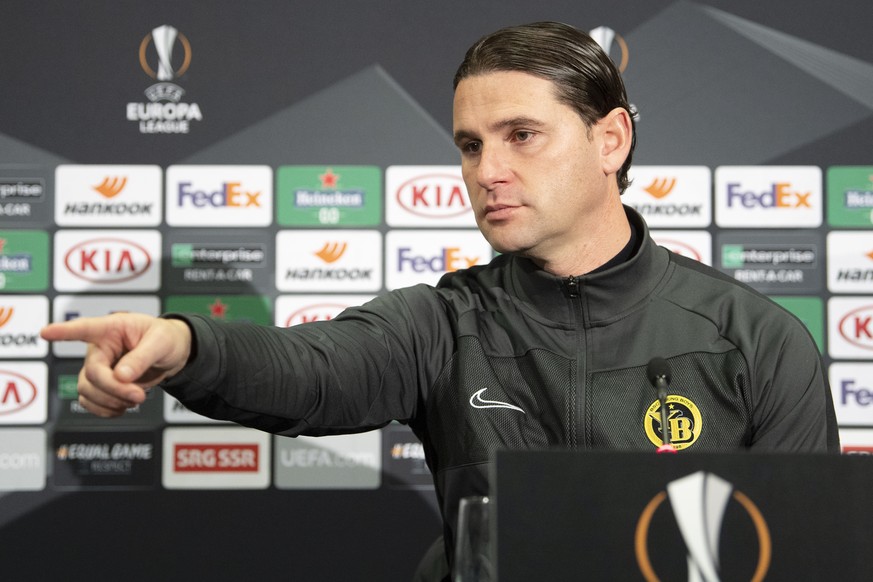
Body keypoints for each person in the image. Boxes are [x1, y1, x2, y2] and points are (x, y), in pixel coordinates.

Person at [42, 21, 839, 581]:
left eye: (520, 135)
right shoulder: (441, 321)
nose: (486, 171)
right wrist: (187, 346)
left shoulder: (755, 339)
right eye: (469, 145)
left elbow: (808, 557)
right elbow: (313, 367)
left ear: (610, 141)